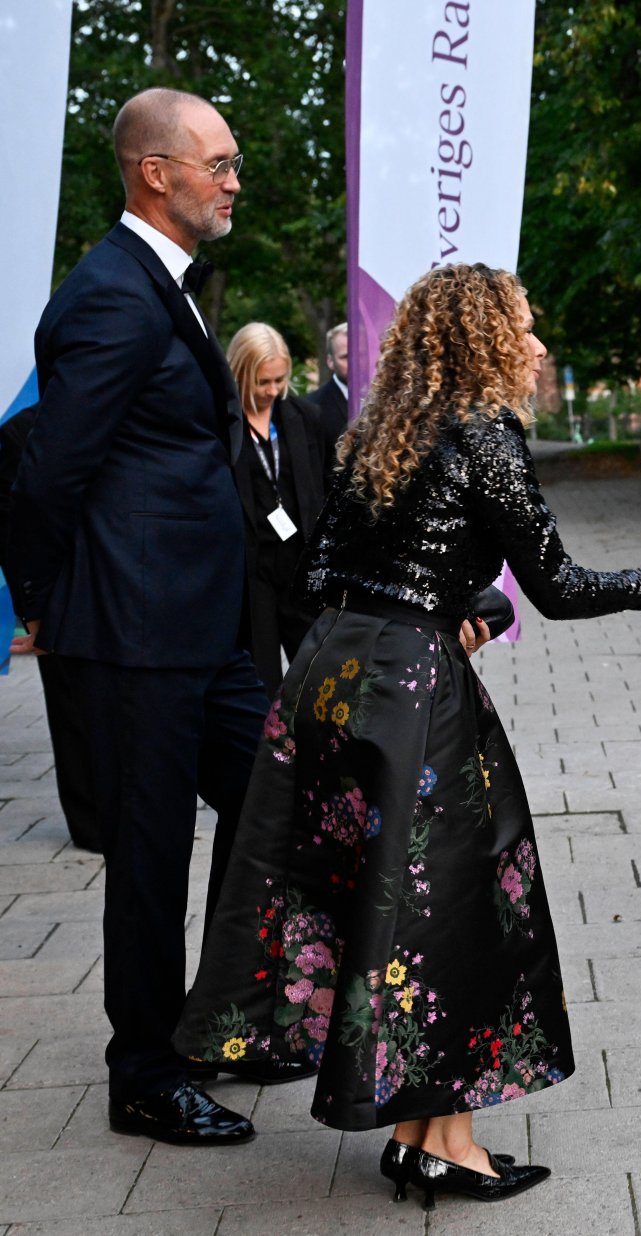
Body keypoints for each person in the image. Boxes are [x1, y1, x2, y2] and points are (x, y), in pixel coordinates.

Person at [173, 263, 641, 1207]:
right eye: (527, 326)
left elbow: (330, 564)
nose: (539, 344)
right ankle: (437, 1138)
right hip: (410, 696)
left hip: (331, 678)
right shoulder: (486, 435)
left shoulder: (381, 430)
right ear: (488, 341)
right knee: (455, 904)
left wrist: (465, 605)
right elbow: (557, 586)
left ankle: (433, 1134)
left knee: (402, 907)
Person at [6, 87, 314, 1148]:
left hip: (207, 631)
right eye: (218, 163)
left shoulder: (165, 286)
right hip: (132, 635)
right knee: (148, 861)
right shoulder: (110, 294)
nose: (234, 180)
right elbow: (49, 469)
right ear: (154, 173)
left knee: (283, 801)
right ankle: (144, 1074)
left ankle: (233, 1017)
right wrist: (43, 608)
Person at [1, 406, 101, 853]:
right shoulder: (21, 431)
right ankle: (88, 820)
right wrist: (32, 608)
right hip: (58, 590)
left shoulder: (115, 413)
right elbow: (11, 527)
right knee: (68, 707)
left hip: (111, 581)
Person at [228, 322, 332, 699]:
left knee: (316, 677)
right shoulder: (220, 425)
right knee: (260, 680)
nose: (272, 391)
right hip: (250, 574)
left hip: (298, 566)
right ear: (239, 372)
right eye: (262, 382)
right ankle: (263, 754)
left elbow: (324, 488)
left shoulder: (305, 418)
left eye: (279, 380)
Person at [310, 321, 349, 439]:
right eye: (346, 357)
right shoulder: (313, 408)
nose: (355, 362)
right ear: (330, 361)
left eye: (360, 354)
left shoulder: (386, 398)